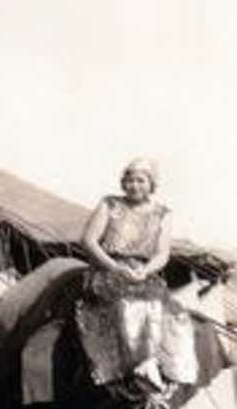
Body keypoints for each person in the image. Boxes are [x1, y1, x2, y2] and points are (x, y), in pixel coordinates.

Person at [78, 157, 196, 390]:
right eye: (129, 180)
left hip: (143, 272)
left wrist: (146, 270)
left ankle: (155, 364)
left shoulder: (162, 213)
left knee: (166, 308)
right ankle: (127, 367)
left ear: (151, 184)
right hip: (107, 268)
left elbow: (162, 253)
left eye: (141, 180)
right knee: (127, 304)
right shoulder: (110, 204)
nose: (134, 185)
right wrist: (115, 267)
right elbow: (89, 241)